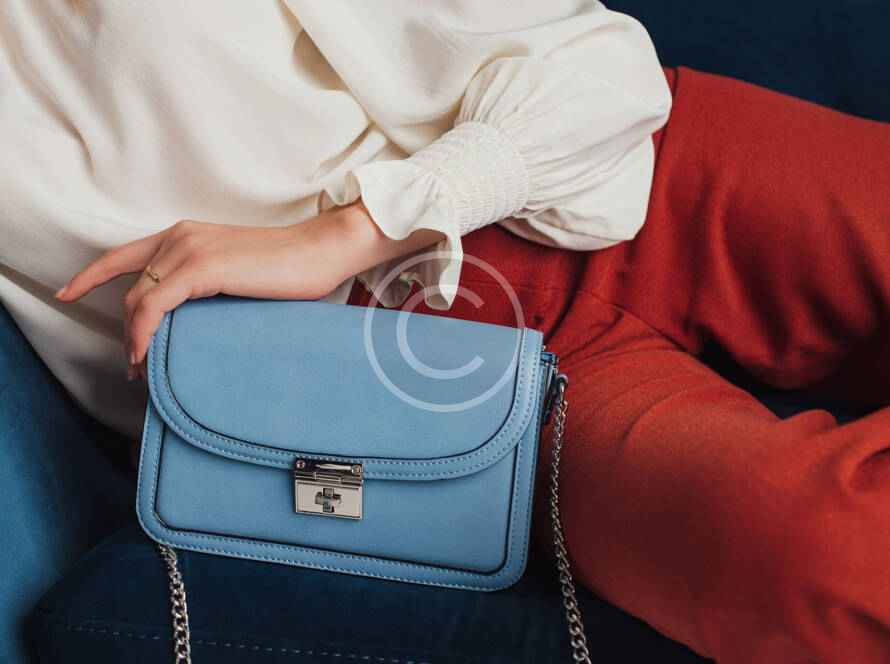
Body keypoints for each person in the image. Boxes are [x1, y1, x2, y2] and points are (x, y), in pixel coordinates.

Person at [2, 1, 889, 662]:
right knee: (823, 559)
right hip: (413, 390)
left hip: (615, 168)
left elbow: (591, 67)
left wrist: (351, 232)